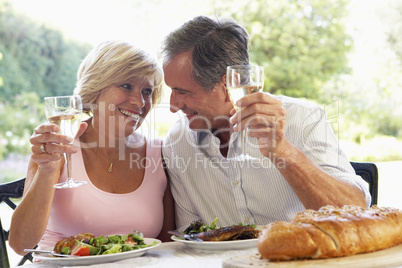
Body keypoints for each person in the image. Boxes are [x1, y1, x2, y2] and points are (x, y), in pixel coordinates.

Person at [160, 16, 371, 229]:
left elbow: (356, 213)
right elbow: (188, 238)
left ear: (229, 83)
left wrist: (283, 151)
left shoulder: (303, 119)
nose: (173, 106)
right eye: (171, 90)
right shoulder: (177, 144)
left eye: (182, 91)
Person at [9, 40, 175, 255]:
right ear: (97, 86)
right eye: (127, 86)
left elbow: (167, 245)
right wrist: (48, 170)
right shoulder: (58, 147)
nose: (140, 102)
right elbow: (21, 244)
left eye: (147, 91)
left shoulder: (159, 153)